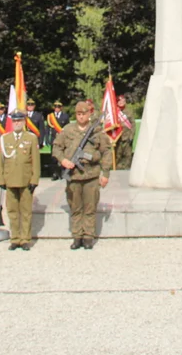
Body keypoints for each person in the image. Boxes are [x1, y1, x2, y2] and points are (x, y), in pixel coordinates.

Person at [52, 100, 112, 250]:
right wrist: (63, 160)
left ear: (89, 114)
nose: (81, 117)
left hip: (91, 175)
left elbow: (106, 152)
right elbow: (56, 148)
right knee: (75, 207)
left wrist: (105, 173)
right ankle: (77, 236)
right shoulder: (68, 130)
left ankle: (88, 237)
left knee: (90, 207)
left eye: (84, 114)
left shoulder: (96, 131)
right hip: (73, 176)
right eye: (78, 114)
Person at [0, 110, 41, 250]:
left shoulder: (31, 138)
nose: (17, 123)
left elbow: (35, 161)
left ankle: (25, 239)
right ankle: (15, 238)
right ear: (11, 122)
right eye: (15, 121)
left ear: (24, 122)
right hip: (10, 179)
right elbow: (0, 161)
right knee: (12, 211)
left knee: (26, 211)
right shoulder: (5, 138)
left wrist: (34, 179)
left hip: (25, 179)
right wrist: (0, 179)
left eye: (19, 121)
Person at [112, 94, 136, 170]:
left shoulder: (129, 111)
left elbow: (133, 124)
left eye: (123, 100)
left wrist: (131, 136)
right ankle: (117, 170)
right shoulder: (115, 112)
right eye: (120, 101)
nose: (122, 102)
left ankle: (127, 170)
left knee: (128, 155)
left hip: (127, 137)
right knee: (117, 156)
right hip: (118, 138)